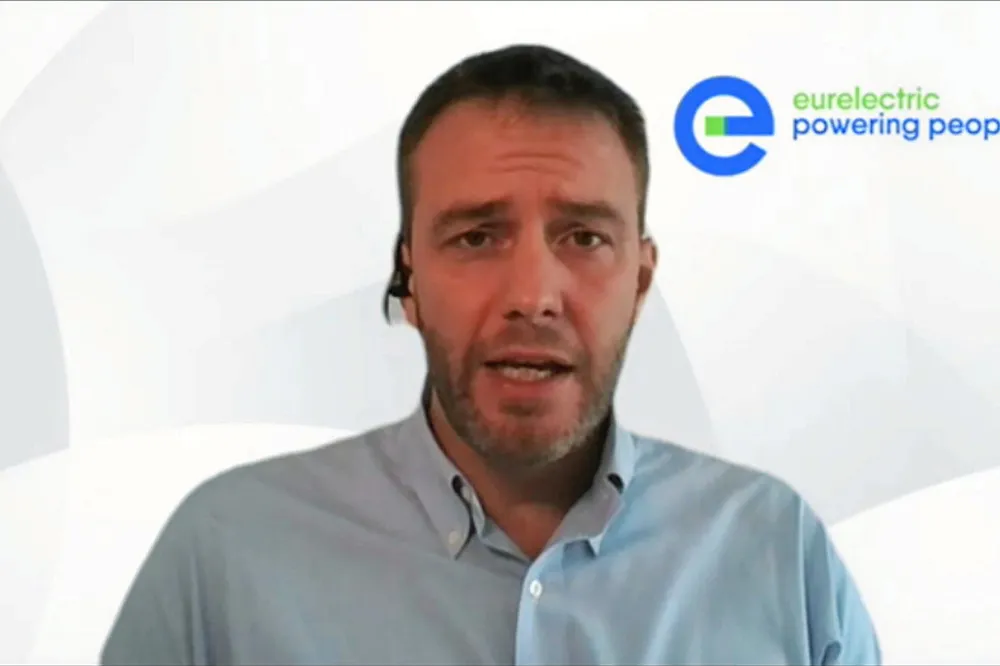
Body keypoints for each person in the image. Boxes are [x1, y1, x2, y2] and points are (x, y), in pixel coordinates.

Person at [101, 44, 881, 666]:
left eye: (584, 237)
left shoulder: (778, 550)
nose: (533, 295)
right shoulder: (225, 553)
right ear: (409, 279)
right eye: (476, 237)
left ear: (640, 282)